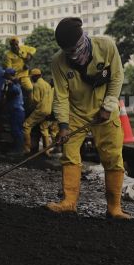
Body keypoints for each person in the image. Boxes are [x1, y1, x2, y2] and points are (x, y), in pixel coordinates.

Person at [47, 17, 129, 219]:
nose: (73, 55)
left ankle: (114, 207)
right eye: (68, 52)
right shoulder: (58, 62)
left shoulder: (106, 46)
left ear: (83, 39)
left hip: (105, 112)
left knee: (112, 156)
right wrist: (64, 125)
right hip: (76, 113)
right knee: (70, 153)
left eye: (75, 49)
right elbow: (61, 96)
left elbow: (117, 77)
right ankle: (69, 202)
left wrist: (108, 106)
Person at [22, 68, 54, 154]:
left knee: (26, 125)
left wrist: (29, 109)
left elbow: (35, 100)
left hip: (40, 110)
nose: (31, 78)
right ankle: (46, 151)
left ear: (35, 76)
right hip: (48, 110)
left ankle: (27, 148)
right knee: (44, 128)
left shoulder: (36, 85)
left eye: (32, 77)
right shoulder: (47, 84)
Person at [4, 68, 24, 154]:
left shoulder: (15, 84)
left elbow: (16, 92)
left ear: (9, 75)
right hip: (14, 110)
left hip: (17, 110)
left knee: (16, 131)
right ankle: (16, 148)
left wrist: (11, 85)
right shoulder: (12, 83)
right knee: (14, 130)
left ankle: (18, 150)